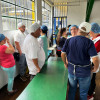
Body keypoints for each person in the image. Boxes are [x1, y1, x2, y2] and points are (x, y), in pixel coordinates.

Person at [61, 22, 99, 100]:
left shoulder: (69, 40)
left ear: (78, 29)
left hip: (72, 70)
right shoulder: (89, 42)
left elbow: (62, 54)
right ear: (88, 32)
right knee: (83, 93)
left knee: (71, 91)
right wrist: (95, 68)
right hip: (84, 72)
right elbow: (95, 59)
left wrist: (65, 63)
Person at [88, 23, 100, 100]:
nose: (89, 33)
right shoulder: (93, 38)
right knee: (91, 78)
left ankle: (90, 95)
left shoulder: (99, 40)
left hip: (95, 61)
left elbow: (93, 51)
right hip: (92, 60)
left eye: (90, 31)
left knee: (92, 79)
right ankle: (91, 91)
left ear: (93, 31)